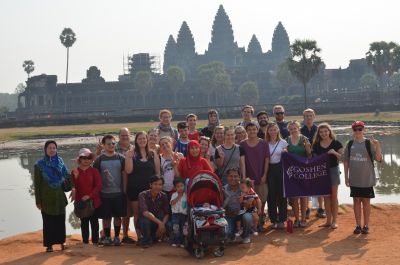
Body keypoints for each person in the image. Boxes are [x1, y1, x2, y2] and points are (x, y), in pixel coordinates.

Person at [343, 121, 382, 235]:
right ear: (353, 131)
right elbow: (345, 161)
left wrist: (378, 145)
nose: (358, 131)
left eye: (360, 129)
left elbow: (378, 158)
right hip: (354, 179)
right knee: (356, 201)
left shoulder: (369, 143)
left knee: (366, 202)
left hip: (367, 179)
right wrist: (346, 177)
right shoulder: (350, 144)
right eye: (355, 129)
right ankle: (358, 225)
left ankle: (366, 225)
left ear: (363, 130)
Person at [34, 140, 73, 252]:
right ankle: (49, 245)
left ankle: (62, 242)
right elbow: (37, 185)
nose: (52, 150)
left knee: (60, 221)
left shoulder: (60, 162)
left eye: (54, 148)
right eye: (49, 148)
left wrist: (73, 176)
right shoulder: (39, 165)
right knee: (48, 222)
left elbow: (66, 176)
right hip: (46, 199)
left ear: (56, 150)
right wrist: (38, 201)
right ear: (45, 150)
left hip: (59, 198)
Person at [125, 131, 161, 242]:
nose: (142, 141)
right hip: (134, 188)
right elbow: (128, 170)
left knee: (150, 212)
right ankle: (140, 237)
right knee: (137, 213)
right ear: (136, 141)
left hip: (150, 189)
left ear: (147, 140)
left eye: (144, 138)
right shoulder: (132, 153)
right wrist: (129, 158)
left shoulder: (153, 153)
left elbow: (157, 173)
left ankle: (150, 235)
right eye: (139, 139)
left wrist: (157, 187)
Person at [93, 134, 127, 246]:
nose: (111, 145)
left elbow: (125, 175)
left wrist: (124, 190)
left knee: (118, 217)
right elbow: (95, 177)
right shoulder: (99, 160)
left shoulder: (121, 158)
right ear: (103, 145)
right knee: (106, 217)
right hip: (104, 193)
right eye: (108, 144)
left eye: (113, 143)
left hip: (118, 193)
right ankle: (107, 237)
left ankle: (117, 237)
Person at [312, 123, 343, 229]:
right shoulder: (316, 145)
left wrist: (334, 153)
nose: (324, 133)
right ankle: (328, 221)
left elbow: (343, 158)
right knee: (326, 198)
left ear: (329, 131)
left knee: (334, 197)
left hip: (334, 171)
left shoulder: (336, 143)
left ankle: (334, 221)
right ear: (319, 134)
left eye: (326, 131)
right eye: (321, 132)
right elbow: (313, 160)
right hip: (322, 173)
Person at [240, 122, 270, 231]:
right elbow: (242, 162)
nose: (252, 131)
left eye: (254, 129)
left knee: (262, 200)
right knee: (249, 202)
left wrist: (265, 174)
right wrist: (246, 179)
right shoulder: (242, 144)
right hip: (249, 180)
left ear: (257, 130)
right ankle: (252, 225)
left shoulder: (263, 143)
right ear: (246, 131)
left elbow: (267, 159)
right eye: (249, 130)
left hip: (261, 178)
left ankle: (260, 221)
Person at [71, 148, 102, 244]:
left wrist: (89, 196)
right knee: (84, 223)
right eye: (84, 157)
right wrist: (75, 177)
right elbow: (73, 187)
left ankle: (95, 242)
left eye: (89, 157)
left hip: (94, 202)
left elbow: (98, 186)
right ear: (79, 159)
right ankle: (85, 243)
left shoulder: (94, 171)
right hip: (81, 203)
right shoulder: (75, 171)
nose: (86, 160)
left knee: (94, 223)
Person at [287, 121, 312, 228]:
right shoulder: (286, 140)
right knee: (294, 197)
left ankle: (303, 219)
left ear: (299, 128)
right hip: (292, 172)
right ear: (289, 130)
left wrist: (308, 149)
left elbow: (310, 156)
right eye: (291, 129)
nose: (293, 130)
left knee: (303, 196)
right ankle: (297, 219)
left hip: (304, 172)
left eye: (295, 128)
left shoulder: (304, 139)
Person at [301, 108, 325, 219]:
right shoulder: (300, 131)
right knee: (305, 186)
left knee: (319, 185)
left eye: (310, 115)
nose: (308, 118)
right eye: (306, 116)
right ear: (303, 118)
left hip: (317, 160)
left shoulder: (319, 130)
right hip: (304, 162)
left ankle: (321, 208)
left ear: (314, 116)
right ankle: (306, 208)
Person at [115, 128, 136, 244]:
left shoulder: (134, 149)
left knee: (131, 210)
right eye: (122, 135)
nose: (125, 137)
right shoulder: (113, 148)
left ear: (130, 136)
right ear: (119, 136)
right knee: (119, 211)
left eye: (126, 135)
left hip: (132, 183)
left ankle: (129, 234)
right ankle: (120, 235)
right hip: (116, 183)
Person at [265, 123, 288, 229]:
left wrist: (285, 152)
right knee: (271, 196)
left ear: (278, 130)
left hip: (281, 169)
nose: (273, 132)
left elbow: (288, 157)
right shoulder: (265, 143)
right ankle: (273, 219)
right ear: (268, 131)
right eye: (271, 130)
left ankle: (282, 219)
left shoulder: (283, 142)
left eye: (275, 129)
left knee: (282, 195)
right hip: (270, 169)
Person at [223, 168, 254, 244]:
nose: (233, 178)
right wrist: (227, 211)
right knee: (227, 233)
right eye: (231, 176)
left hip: (242, 215)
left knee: (247, 217)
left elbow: (253, 201)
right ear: (227, 177)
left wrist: (247, 203)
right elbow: (220, 206)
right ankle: (232, 234)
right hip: (229, 216)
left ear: (239, 177)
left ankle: (246, 236)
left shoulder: (245, 187)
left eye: (235, 176)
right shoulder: (223, 189)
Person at [138, 176, 170, 248]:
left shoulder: (164, 196)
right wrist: (160, 223)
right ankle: (146, 241)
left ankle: (155, 238)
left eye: (160, 184)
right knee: (145, 222)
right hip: (146, 221)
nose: (158, 187)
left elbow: (167, 213)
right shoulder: (142, 195)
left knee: (169, 224)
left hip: (157, 222)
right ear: (150, 185)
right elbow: (145, 213)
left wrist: (162, 224)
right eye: (155, 184)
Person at [170, 178, 187, 248]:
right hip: (175, 215)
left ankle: (182, 242)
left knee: (183, 228)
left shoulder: (186, 195)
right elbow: (172, 203)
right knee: (176, 228)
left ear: (184, 186)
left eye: (181, 186)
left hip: (183, 215)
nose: (180, 188)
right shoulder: (174, 194)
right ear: (175, 188)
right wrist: (178, 197)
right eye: (178, 186)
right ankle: (176, 241)